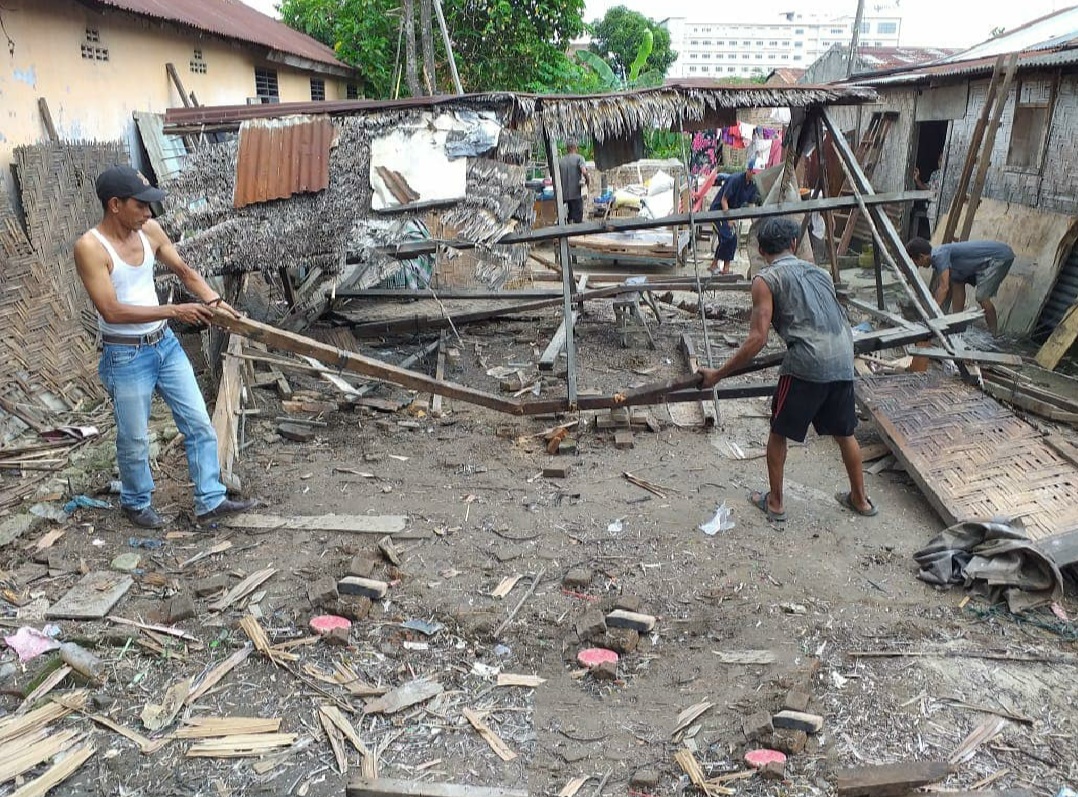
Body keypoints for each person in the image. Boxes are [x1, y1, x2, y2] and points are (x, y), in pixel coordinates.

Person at [74, 165, 257, 529]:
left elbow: (186, 272)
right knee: (135, 439)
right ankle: (136, 501)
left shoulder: (150, 231)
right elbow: (111, 309)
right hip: (126, 354)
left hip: (165, 345)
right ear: (115, 205)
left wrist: (216, 303)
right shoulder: (90, 248)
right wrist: (175, 309)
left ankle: (210, 499)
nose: (148, 213)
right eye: (140, 206)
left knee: (199, 423)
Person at [699, 216, 877, 522]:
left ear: (759, 249)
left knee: (779, 432)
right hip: (843, 356)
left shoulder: (765, 280)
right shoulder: (819, 273)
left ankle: (776, 503)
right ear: (793, 244)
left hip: (807, 362)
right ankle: (860, 500)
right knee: (845, 433)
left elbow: (757, 339)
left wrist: (717, 375)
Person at [904, 238, 1015, 335]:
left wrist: (930, 315)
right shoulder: (942, 259)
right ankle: (958, 328)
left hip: (999, 257)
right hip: (992, 258)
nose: (920, 266)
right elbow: (956, 287)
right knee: (956, 280)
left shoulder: (939, 255)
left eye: (917, 262)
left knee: (982, 297)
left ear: (922, 257)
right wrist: (956, 321)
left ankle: (994, 335)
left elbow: (944, 288)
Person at [709, 161, 762, 275]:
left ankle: (725, 268)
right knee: (727, 237)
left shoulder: (753, 185)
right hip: (718, 211)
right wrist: (729, 218)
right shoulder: (735, 179)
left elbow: (751, 203)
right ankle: (715, 264)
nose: (755, 175)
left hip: (731, 213)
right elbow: (724, 200)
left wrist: (756, 223)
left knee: (732, 239)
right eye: (753, 172)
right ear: (748, 170)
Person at [558, 138, 589, 224]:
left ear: (567, 148)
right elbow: (583, 171)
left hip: (563, 196)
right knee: (577, 221)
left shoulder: (560, 161)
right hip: (576, 196)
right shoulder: (580, 158)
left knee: (566, 220)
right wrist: (587, 181)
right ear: (576, 147)